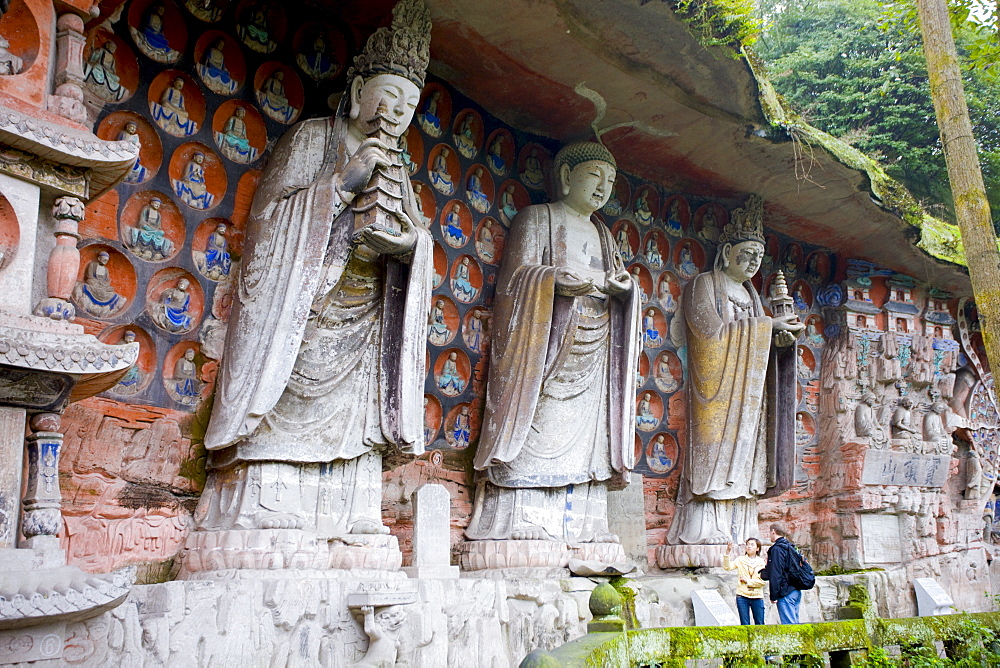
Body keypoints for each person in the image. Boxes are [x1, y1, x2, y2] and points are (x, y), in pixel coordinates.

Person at [194, 0, 432, 555]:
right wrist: (339, 188)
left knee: (358, 417)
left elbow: (419, 236)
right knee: (286, 400)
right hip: (304, 311)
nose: (397, 114)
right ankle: (266, 502)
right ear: (355, 93)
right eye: (388, 97)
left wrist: (408, 246)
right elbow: (271, 222)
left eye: (410, 105)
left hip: (367, 313)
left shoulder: (402, 170)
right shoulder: (311, 139)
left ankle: (353, 511)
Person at [466, 141, 641, 561]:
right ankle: (521, 523)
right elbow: (513, 284)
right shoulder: (537, 218)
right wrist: (551, 281)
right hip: (545, 346)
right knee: (537, 423)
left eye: (610, 182)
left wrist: (626, 290)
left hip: (595, 348)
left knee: (590, 440)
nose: (603, 188)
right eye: (594, 177)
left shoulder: (604, 233)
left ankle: (585, 524)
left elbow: (620, 281)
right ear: (565, 177)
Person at [665, 195, 802, 559]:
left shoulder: (752, 296)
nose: (754, 263)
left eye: (759, 258)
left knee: (748, 463)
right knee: (713, 459)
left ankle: (743, 528)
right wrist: (765, 328)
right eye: (746, 254)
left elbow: (760, 340)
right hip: (715, 391)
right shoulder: (704, 286)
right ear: (726, 252)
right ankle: (703, 528)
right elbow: (708, 335)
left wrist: (779, 341)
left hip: (749, 395)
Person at [760, 523, 802, 624]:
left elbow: (776, 573)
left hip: (785, 592)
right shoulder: (791, 547)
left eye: (770, 533)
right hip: (795, 589)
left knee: (789, 625)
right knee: (795, 622)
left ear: (773, 531)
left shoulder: (777, 549)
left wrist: (773, 595)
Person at [723, 538, 767, 625]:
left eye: (752, 545)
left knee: (760, 623)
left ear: (757, 548)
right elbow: (728, 567)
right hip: (742, 595)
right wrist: (727, 552)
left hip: (757, 596)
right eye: (747, 544)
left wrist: (748, 581)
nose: (749, 546)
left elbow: (763, 581)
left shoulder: (762, 562)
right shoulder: (740, 559)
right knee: (744, 624)